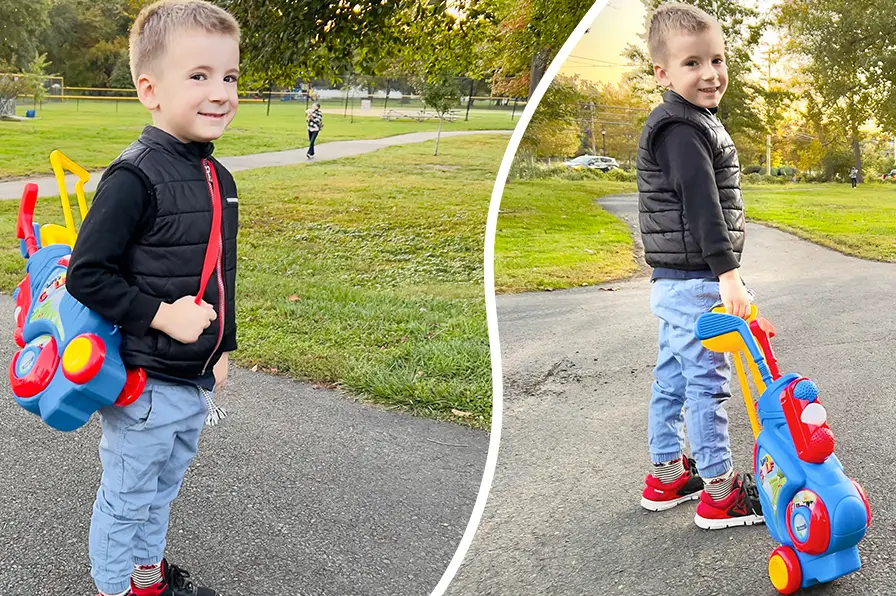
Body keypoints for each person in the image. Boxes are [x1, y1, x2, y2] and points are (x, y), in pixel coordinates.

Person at [66, 1, 240, 594]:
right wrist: (165, 315)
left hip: (191, 377)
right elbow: (87, 275)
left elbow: (220, 273)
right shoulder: (134, 176)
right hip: (143, 380)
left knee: (162, 491)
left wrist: (222, 347)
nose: (220, 92)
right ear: (150, 89)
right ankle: (117, 587)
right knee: (128, 496)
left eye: (229, 76)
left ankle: (146, 578)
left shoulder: (217, 176)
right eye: (199, 76)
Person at [635, 3, 763, 530]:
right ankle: (719, 490)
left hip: (675, 282)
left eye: (717, 59)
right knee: (706, 383)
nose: (710, 73)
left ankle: (668, 474)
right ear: (663, 73)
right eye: (692, 63)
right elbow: (701, 203)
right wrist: (728, 274)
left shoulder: (689, 121)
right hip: (694, 283)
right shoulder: (681, 129)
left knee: (672, 378)